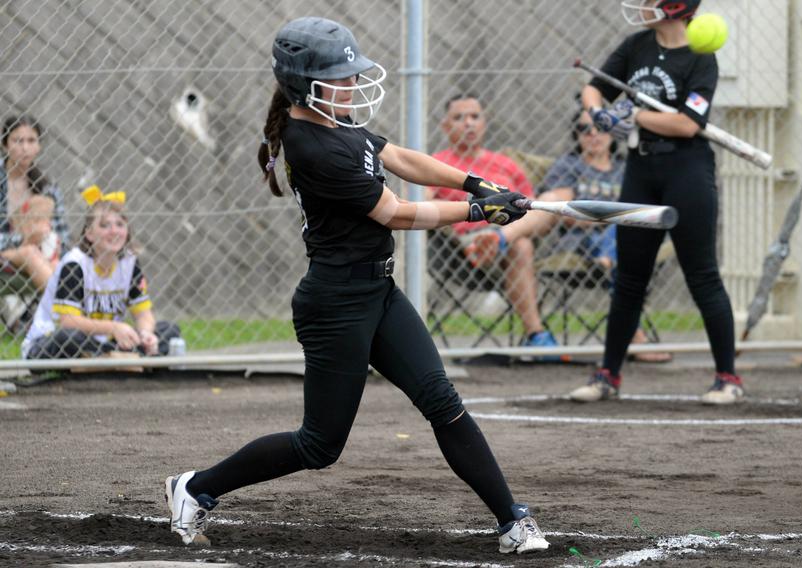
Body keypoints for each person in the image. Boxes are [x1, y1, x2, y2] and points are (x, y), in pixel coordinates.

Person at [162, 17, 549, 555]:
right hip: (335, 304)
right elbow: (395, 213)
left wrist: (471, 181)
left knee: (442, 400)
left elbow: (397, 158)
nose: (351, 84)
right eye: (339, 76)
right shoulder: (310, 147)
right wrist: (477, 210)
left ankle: (512, 520)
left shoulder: (335, 119)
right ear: (304, 84)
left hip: (379, 293)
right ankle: (196, 487)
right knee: (319, 445)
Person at [567, 0, 743, 404]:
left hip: (687, 171)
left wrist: (632, 115)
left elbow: (686, 123)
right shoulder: (636, 46)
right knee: (630, 278)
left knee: (702, 275)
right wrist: (600, 113)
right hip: (641, 171)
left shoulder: (702, 57)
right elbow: (595, 86)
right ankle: (608, 375)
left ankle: (727, 378)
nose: (642, 5)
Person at [470, 105, 672, 363]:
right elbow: (560, 206)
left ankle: (608, 259)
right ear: (576, 135)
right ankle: (634, 333)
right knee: (564, 205)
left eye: (599, 128)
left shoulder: (627, 168)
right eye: (584, 129)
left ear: (611, 132)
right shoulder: (569, 165)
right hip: (579, 244)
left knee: (621, 230)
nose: (592, 134)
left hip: (624, 236)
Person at [427, 94, 561, 353]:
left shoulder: (506, 163)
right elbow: (421, 203)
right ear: (445, 126)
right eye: (459, 117)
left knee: (547, 203)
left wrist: (505, 233)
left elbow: (532, 210)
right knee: (521, 245)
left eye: (475, 117)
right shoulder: (438, 163)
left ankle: (501, 239)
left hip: (513, 234)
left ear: (485, 123)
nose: (468, 123)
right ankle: (537, 335)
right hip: (462, 249)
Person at [21, 187, 182, 360]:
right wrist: (113, 327)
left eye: (120, 224)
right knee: (69, 338)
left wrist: (146, 334)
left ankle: (108, 360)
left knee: (169, 331)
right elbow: (68, 322)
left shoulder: (129, 263)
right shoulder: (75, 264)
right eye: (105, 225)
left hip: (102, 343)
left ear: (127, 231)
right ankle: (125, 361)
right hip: (50, 341)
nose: (114, 231)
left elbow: (143, 313)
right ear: (89, 233)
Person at [0, 115, 69, 329]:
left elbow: (63, 234)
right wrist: (25, 239)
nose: (25, 148)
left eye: (31, 141)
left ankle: (40, 320)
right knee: (31, 252)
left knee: (58, 256)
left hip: (42, 256)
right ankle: (69, 315)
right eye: (18, 141)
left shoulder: (47, 187)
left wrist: (46, 237)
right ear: (4, 145)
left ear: (39, 146)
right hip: (6, 255)